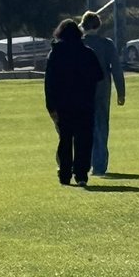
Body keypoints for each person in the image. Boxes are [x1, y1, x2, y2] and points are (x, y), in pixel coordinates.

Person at [45, 19, 104, 187]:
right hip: (84, 104)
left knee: (65, 140)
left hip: (63, 105)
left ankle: (64, 174)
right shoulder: (87, 53)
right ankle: (81, 173)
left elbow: (49, 83)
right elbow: (99, 76)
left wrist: (51, 106)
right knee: (83, 140)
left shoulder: (55, 54)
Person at [79, 11, 126, 176]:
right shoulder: (106, 44)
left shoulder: (77, 44)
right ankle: (99, 166)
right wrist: (121, 92)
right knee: (101, 126)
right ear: (98, 26)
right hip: (101, 89)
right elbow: (117, 69)